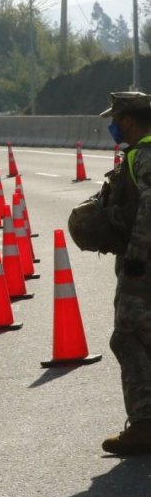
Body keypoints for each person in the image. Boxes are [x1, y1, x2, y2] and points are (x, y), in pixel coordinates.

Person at [99, 91, 151, 455]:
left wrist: (135, 258)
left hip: (144, 266)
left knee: (128, 337)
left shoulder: (144, 156)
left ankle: (145, 425)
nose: (113, 126)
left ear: (128, 120)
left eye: (115, 120)